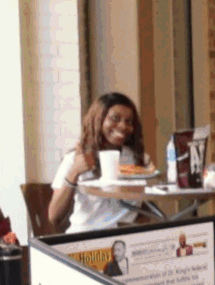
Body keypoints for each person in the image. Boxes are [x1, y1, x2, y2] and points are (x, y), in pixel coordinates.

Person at [48, 92, 155, 235]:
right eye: (115, 118)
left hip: (124, 239)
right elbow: (54, 216)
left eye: (129, 121)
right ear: (98, 119)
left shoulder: (136, 158)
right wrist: (74, 172)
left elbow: (144, 206)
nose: (123, 126)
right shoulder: (75, 158)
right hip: (86, 237)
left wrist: (151, 178)